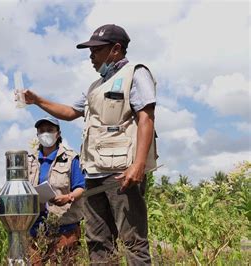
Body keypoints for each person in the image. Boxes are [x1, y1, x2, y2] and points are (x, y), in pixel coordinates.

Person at [22, 24, 158, 264]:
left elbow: (146, 117)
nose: (91, 57)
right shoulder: (94, 87)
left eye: (96, 50)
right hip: (93, 173)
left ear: (116, 49)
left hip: (121, 173)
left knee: (133, 240)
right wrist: (37, 100)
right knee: (97, 239)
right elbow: (69, 112)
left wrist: (138, 165)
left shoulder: (135, 74)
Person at [27, 117, 85, 265]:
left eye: (50, 130)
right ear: (37, 135)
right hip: (35, 228)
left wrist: (68, 197)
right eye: (42, 131)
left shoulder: (71, 158)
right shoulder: (29, 159)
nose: (45, 134)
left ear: (58, 134)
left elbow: (81, 187)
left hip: (65, 227)